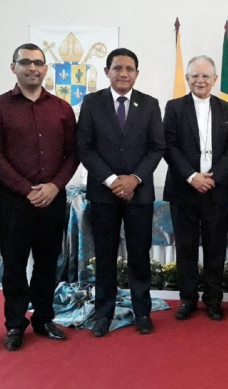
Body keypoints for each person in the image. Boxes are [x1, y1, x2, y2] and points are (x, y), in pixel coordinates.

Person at [0, 43, 78, 351]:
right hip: (15, 200)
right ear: (13, 67)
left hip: (53, 198)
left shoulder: (61, 108)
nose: (32, 68)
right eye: (25, 62)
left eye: (38, 63)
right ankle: (14, 324)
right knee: (13, 264)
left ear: (46, 69)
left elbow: (73, 153)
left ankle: (44, 318)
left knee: (48, 262)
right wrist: (26, 189)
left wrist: (55, 186)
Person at [76, 48, 164, 336]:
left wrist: (134, 179)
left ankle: (142, 312)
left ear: (137, 74)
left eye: (130, 69)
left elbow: (156, 147)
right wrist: (113, 180)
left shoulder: (150, 104)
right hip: (103, 194)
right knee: (104, 256)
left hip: (139, 194)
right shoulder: (92, 103)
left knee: (139, 256)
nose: (123, 73)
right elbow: (84, 147)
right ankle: (104, 314)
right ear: (107, 72)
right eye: (117, 68)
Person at [163, 55, 228, 321]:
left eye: (206, 76)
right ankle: (188, 299)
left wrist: (212, 177)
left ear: (215, 79)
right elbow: (168, 147)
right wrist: (192, 176)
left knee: (215, 247)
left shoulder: (227, 109)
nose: (200, 80)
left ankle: (214, 300)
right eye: (195, 75)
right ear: (187, 79)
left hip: (215, 190)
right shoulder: (174, 107)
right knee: (186, 247)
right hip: (184, 190)